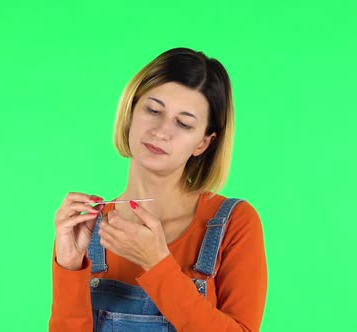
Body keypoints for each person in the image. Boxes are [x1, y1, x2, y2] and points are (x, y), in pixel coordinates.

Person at [49, 47, 267, 331]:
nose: (162, 131)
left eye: (184, 123)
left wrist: (157, 264)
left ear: (203, 144)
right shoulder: (86, 230)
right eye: (153, 110)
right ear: (131, 111)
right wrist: (69, 265)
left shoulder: (234, 223)